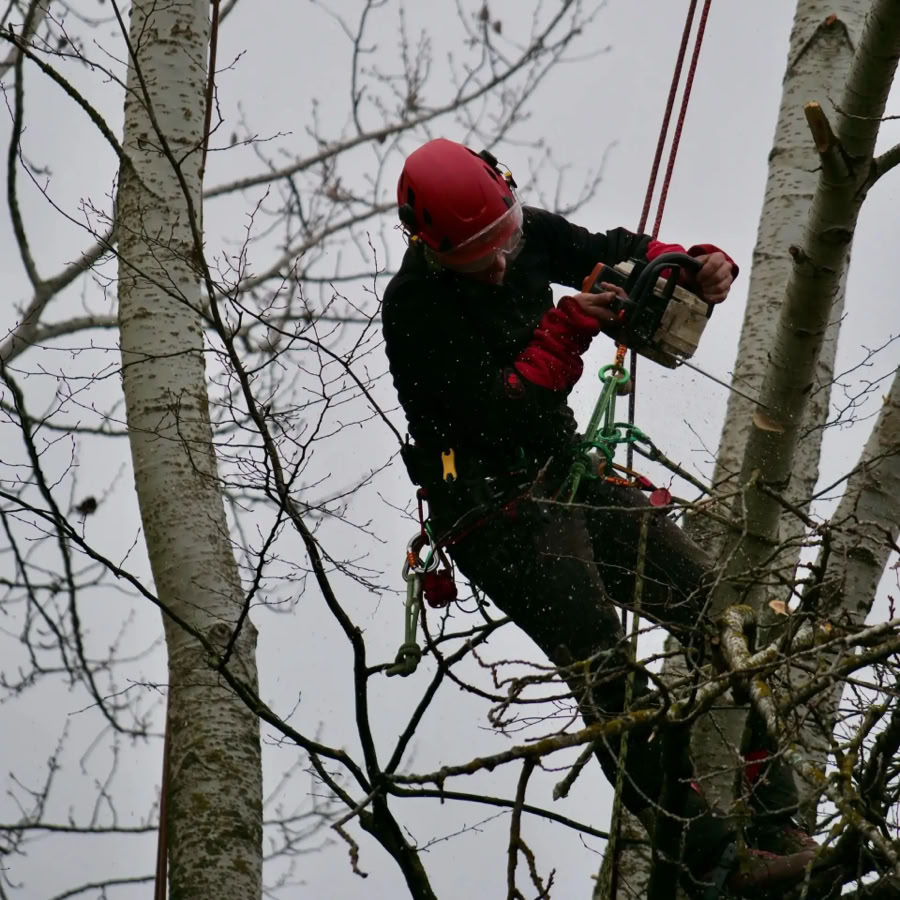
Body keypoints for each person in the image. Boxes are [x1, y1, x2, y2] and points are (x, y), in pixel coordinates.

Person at [382, 138, 816, 897]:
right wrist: (568, 327)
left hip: (566, 475)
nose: (497, 263)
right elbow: (504, 409)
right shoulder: (416, 307)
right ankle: (710, 857)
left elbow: (608, 251)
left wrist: (688, 263)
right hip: (493, 511)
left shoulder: (519, 236)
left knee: (712, 610)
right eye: (474, 255)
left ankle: (776, 814)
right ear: (429, 246)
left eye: (503, 240)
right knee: (605, 668)